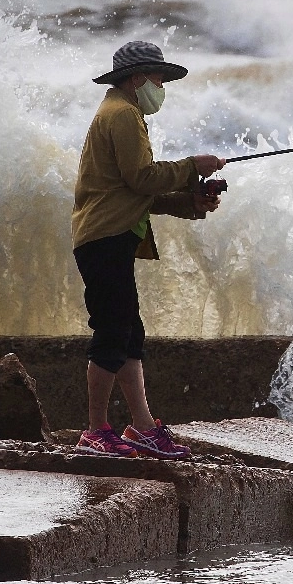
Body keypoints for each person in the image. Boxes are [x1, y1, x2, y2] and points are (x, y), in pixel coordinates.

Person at [71, 41, 225, 459]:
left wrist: (188, 202)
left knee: (129, 333)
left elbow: (134, 193)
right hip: (103, 239)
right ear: (137, 78)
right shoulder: (122, 114)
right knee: (112, 332)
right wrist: (193, 166)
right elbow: (142, 178)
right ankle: (95, 431)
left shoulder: (123, 112)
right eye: (159, 79)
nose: (162, 87)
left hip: (110, 236)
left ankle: (141, 427)